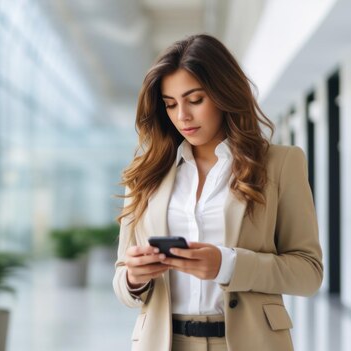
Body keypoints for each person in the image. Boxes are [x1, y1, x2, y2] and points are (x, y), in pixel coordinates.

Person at [112, 34, 323, 351]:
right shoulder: (145, 173)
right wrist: (134, 277)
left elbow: (308, 273)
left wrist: (228, 265)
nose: (182, 115)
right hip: (164, 342)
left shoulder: (281, 164)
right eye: (170, 104)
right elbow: (121, 282)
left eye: (195, 100)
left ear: (224, 93)